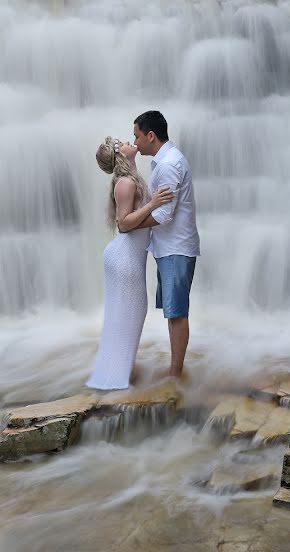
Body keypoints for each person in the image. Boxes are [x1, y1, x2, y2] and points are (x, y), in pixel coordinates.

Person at [85, 137, 173, 390]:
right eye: (120, 142)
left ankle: (118, 373)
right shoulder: (124, 183)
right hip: (123, 257)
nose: (127, 140)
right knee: (129, 312)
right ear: (119, 154)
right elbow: (123, 224)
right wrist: (154, 204)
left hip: (130, 256)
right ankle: (114, 378)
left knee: (132, 311)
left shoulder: (133, 178)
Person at [125, 110, 201, 381]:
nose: (134, 142)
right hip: (169, 247)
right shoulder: (164, 161)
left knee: (177, 312)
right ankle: (175, 370)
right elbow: (153, 202)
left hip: (176, 248)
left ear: (151, 136)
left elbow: (163, 215)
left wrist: (129, 224)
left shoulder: (169, 165)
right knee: (173, 311)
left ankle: (175, 374)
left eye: (136, 136)